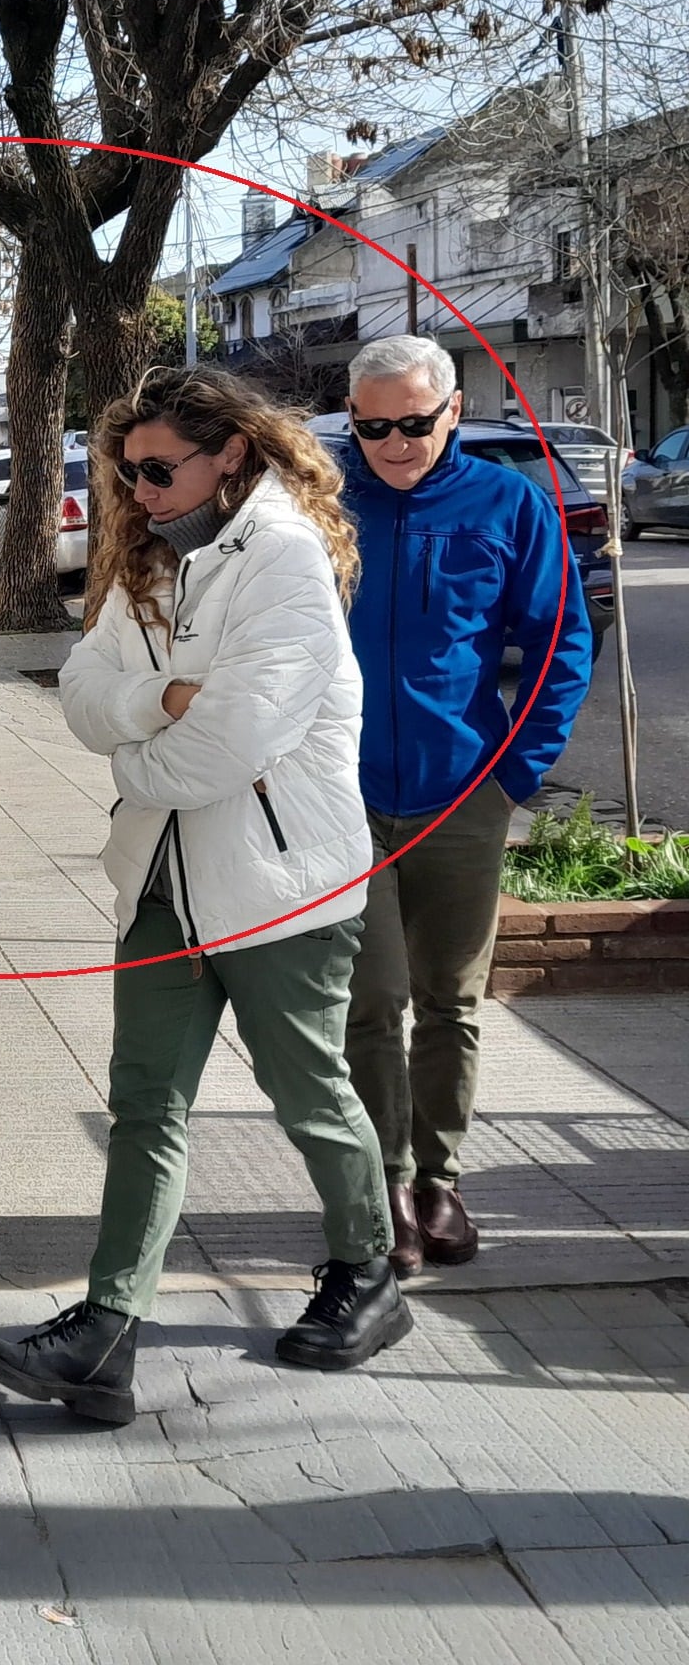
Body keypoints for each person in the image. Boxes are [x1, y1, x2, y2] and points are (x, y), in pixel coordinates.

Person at [0, 367, 406, 1428]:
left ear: (233, 456)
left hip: (278, 886)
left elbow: (230, 741)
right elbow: (79, 694)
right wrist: (155, 697)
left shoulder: (285, 560)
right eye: (127, 472)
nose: (140, 490)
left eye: (159, 469)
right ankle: (108, 1331)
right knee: (144, 1103)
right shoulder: (147, 561)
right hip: (161, 880)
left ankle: (368, 1267)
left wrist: (141, 756)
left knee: (307, 1092)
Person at [337, 336, 594, 1277]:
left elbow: (562, 637)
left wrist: (516, 773)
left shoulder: (508, 504)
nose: (394, 442)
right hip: (342, 798)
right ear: (352, 420)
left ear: (450, 413)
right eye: (373, 426)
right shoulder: (320, 505)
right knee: (371, 1001)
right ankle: (387, 1186)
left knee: (451, 1001)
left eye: (413, 421)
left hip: (462, 793)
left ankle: (441, 1179)